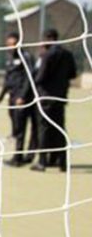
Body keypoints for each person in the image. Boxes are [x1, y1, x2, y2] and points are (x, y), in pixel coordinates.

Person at [31, 28, 78, 172]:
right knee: (60, 129)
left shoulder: (47, 55)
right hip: (61, 96)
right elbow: (73, 74)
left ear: (47, 38)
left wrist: (37, 75)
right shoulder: (67, 54)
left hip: (46, 97)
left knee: (44, 129)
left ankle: (42, 162)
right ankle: (63, 162)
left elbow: (40, 77)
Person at [0, 32, 35, 166]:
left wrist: (23, 96)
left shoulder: (26, 57)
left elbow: (29, 77)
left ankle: (20, 157)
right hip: (12, 97)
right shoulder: (9, 58)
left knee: (21, 127)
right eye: (9, 45)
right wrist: (0, 97)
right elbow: (7, 80)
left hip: (22, 98)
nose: (10, 47)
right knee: (16, 128)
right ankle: (19, 155)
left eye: (13, 44)